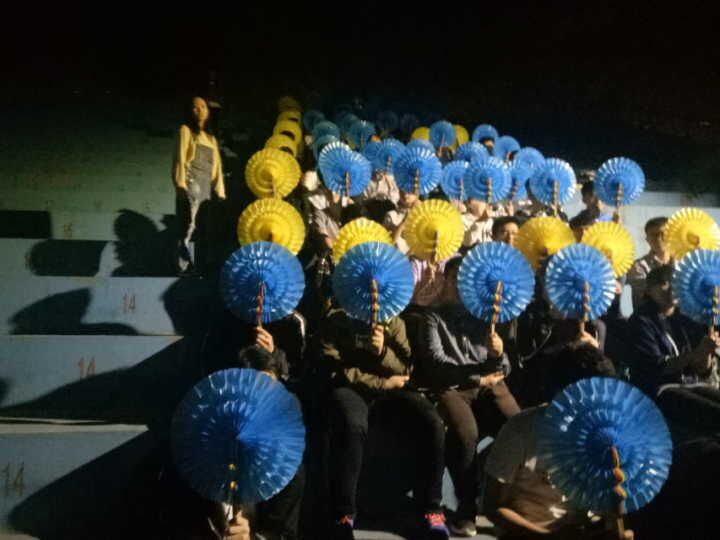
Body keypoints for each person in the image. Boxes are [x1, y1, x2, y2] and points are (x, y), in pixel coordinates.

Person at [319, 307, 450, 540]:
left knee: (432, 422)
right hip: (353, 388)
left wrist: (382, 352)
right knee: (353, 424)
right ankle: (344, 513)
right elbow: (332, 367)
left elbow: (406, 367)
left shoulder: (394, 323)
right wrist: (380, 383)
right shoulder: (337, 320)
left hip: (395, 387)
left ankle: (431, 508)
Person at [416, 257, 521, 537]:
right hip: (452, 387)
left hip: (489, 384)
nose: (460, 286)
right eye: (455, 279)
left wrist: (498, 353)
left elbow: (504, 366)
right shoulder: (432, 317)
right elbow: (436, 363)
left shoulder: (484, 316)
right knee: (466, 435)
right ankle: (466, 508)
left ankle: (512, 496)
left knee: (519, 425)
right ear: (446, 281)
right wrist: (476, 378)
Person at [483, 346, 635, 539]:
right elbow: (493, 507)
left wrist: (615, 494)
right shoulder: (521, 430)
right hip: (527, 533)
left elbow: (613, 511)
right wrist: (547, 536)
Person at [627, 265, 720, 431]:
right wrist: (696, 353)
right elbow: (657, 367)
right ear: (649, 289)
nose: (671, 288)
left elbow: (700, 370)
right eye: (664, 283)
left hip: (692, 384)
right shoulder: (640, 321)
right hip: (660, 390)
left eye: (675, 282)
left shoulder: (685, 319)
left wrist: (706, 353)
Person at [172, 96, 226, 275]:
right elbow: (180, 157)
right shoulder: (186, 130)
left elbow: (217, 167)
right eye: (195, 107)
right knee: (188, 225)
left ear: (208, 111)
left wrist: (219, 189)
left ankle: (199, 264)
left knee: (203, 227)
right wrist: (180, 183)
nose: (199, 110)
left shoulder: (211, 138)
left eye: (203, 106)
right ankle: (183, 265)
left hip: (206, 186)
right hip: (192, 182)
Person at [627, 217, 672, 311]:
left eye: (663, 234)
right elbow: (646, 293)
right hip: (648, 315)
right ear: (647, 239)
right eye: (654, 235)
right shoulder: (638, 266)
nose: (659, 239)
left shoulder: (683, 263)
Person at [383, 189, 420, 254]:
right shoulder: (391, 215)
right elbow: (387, 245)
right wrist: (403, 223)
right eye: (402, 190)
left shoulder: (424, 216)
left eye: (410, 191)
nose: (405, 194)